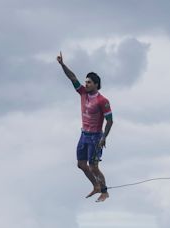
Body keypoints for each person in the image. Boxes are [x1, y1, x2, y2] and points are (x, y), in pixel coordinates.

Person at [57, 51, 113, 202]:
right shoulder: (82, 93)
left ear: (96, 84)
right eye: (86, 82)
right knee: (81, 164)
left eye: (89, 82)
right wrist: (63, 65)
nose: (86, 84)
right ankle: (96, 186)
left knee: (93, 166)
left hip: (95, 137)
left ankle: (105, 192)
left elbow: (110, 121)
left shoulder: (103, 100)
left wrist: (103, 137)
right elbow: (72, 77)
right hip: (84, 135)